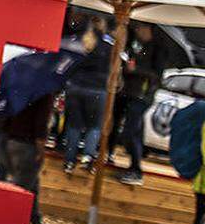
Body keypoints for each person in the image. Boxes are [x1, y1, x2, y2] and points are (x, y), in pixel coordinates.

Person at [0, 92, 56, 224]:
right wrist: (40, 146)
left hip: (0, 136)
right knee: (21, 190)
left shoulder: (16, 77)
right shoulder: (44, 88)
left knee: (26, 184)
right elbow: (41, 119)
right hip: (23, 142)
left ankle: (36, 223)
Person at [111, 23, 163, 185]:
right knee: (131, 130)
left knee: (131, 132)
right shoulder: (135, 44)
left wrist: (136, 69)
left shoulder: (158, 49)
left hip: (142, 95)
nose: (138, 31)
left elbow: (157, 75)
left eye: (141, 28)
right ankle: (127, 163)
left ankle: (136, 170)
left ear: (149, 30)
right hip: (129, 92)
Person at [63, 24, 110, 173]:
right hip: (97, 90)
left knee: (74, 125)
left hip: (75, 87)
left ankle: (69, 161)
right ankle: (88, 157)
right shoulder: (108, 47)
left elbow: (69, 65)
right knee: (94, 126)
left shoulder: (78, 44)